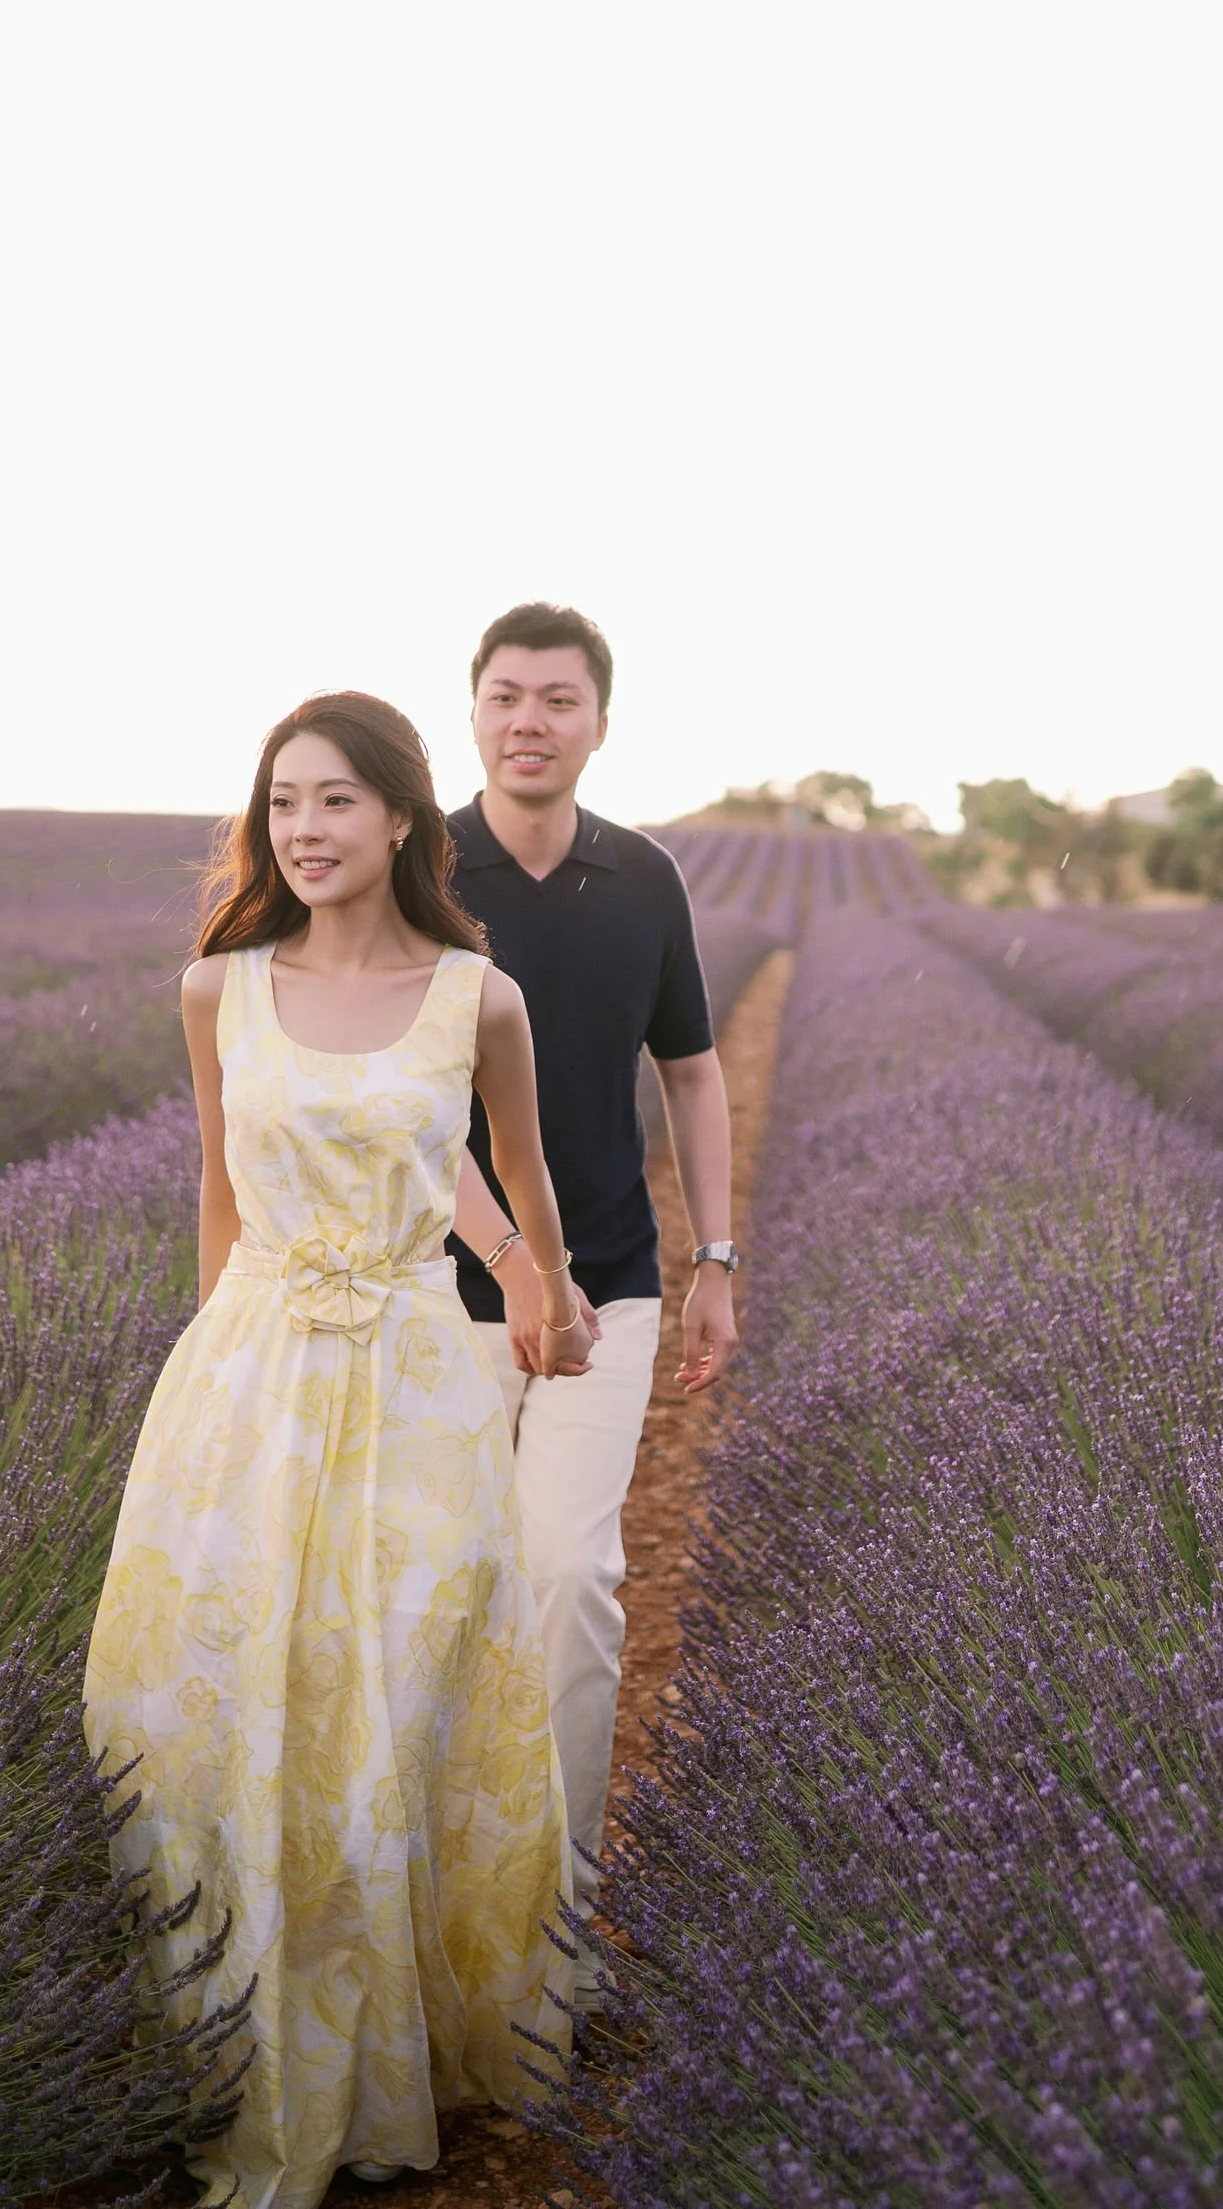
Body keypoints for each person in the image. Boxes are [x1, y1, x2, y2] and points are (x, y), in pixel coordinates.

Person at [84, 690, 590, 2209]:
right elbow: (217, 1192)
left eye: (336, 804)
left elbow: (502, 1170)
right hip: (250, 1380)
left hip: (420, 1382)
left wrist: (544, 1299)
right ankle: (242, 2050)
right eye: (283, 803)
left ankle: (392, 2049)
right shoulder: (215, 989)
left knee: (398, 1698)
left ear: (400, 824)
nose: (304, 830)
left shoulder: (474, 999)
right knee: (212, 1706)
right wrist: (214, 1371)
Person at [445, 602, 738, 1941]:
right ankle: (425, 1908)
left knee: (569, 1581)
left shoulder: (645, 880)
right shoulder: (420, 869)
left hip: (607, 1291)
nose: (529, 723)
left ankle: (542, 1919)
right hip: (431, 1298)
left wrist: (715, 1256)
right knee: (436, 1598)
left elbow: (691, 1066)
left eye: (557, 701)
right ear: (473, 712)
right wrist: (507, 1256)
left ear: (600, 725)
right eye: (506, 697)